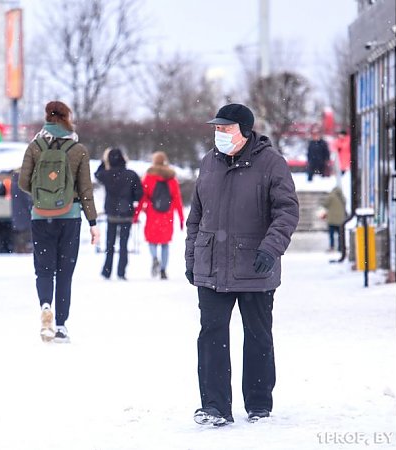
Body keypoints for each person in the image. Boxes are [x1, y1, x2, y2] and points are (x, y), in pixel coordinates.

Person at [186, 104, 299, 426]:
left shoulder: (271, 163)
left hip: (255, 266)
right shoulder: (209, 163)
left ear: (245, 131)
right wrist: (192, 258)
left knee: (258, 336)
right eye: (217, 128)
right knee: (211, 335)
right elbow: (196, 217)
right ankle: (214, 406)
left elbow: (287, 212)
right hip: (211, 267)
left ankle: (259, 404)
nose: (219, 133)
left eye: (226, 128)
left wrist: (271, 249)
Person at [18, 100, 99, 344]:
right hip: (70, 217)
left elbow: (22, 182)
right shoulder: (78, 149)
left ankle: (45, 306)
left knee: (44, 270)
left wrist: (43, 196)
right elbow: (85, 189)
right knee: (64, 273)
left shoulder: (35, 146)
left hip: (41, 217)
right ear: (67, 118)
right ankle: (61, 326)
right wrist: (93, 222)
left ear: (47, 117)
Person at [133, 151, 185, 280]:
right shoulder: (172, 178)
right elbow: (177, 199)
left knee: (152, 241)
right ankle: (163, 270)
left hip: (152, 214)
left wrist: (136, 214)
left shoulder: (149, 176)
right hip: (167, 215)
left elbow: (143, 198)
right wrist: (181, 218)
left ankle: (155, 258)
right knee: (165, 243)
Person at [94, 147, 143, 280]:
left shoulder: (106, 174)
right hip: (126, 213)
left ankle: (107, 271)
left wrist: (104, 161)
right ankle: (121, 272)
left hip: (111, 213)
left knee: (110, 243)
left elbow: (97, 174)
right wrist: (129, 199)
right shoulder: (131, 175)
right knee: (123, 244)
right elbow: (139, 194)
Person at [321, 182, 347, 253]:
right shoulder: (342, 197)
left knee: (331, 235)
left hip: (332, 219)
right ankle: (340, 247)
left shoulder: (331, 196)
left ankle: (332, 247)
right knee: (340, 235)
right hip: (340, 220)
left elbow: (325, 204)